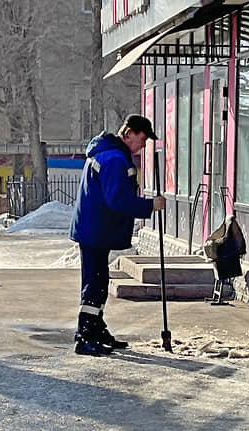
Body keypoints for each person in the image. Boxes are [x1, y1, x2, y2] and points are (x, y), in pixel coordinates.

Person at [69, 114, 166, 356]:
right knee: (95, 283)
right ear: (129, 133)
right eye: (142, 139)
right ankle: (85, 335)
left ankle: (96, 328)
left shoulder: (110, 154)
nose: (143, 146)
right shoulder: (113, 159)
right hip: (96, 229)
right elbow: (118, 200)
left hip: (96, 228)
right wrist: (149, 206)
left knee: (99, 281)